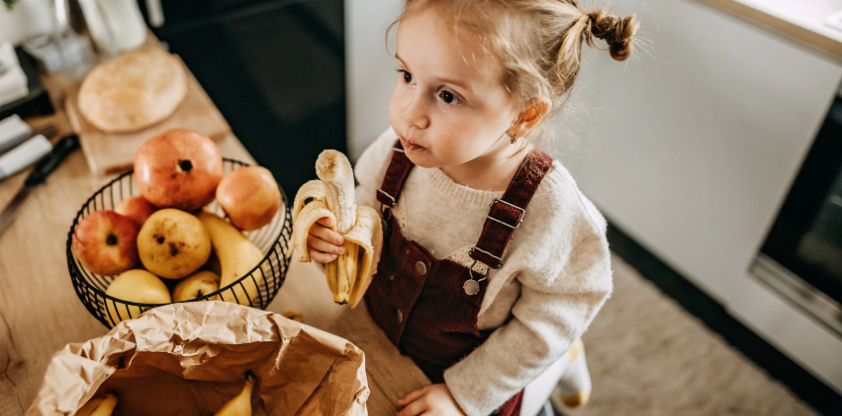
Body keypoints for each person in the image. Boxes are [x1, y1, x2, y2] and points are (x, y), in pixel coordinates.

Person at [306, 0, 638, 415]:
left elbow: (557, 316)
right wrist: (332, 239)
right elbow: (364, 214)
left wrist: (464, 395)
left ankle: (556, 373)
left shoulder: (551, 212)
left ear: (524, 115)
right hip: (376, 337)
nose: (410, 113)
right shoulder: (396, 152)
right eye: (407, 75)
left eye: (448, 96)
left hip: (476, 382)